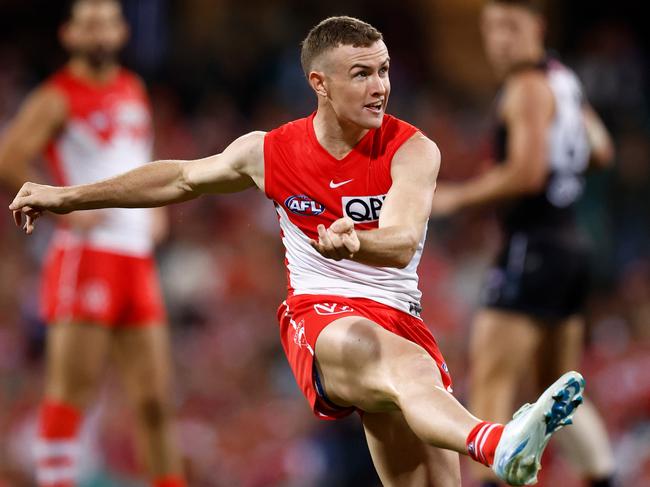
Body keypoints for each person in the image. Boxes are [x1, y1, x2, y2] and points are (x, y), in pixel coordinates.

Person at [10, 16, 585, 487]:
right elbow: (179, 178)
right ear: (319, 83)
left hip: (401, 318)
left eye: (383, 71)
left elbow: (404, 238)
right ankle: (496, 441)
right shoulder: (271, 151)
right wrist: (68, 195)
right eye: (361, 74)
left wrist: (357, 239)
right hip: (323, 315)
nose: (380, 86)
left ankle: (492, 443)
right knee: (395, 362)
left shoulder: (413, 149)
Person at [430, 1, 616, 486]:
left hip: (531, 246)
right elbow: (599, 148)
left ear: (538, 25)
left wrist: (456, 197)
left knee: (490, 395)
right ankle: (606, 478)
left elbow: (527, 171)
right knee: (560, 393)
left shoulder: (527, 86)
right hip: (571, 245)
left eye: (511, 27)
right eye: (492, 29)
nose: (499, 40)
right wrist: (564, 171)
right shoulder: (564, 80)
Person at [0, 1, 185, 486]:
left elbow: (138, 158)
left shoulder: (132, 89)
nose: (99, 32)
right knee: (70, 394)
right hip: (87, 257)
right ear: (68, 34)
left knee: (155, 399)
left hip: (136, 259)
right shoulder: (56, 97)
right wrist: (57, 202)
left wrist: (158, 209)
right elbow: (9, 156)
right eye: (89, 23)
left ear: (122, 31)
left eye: (107, 21)